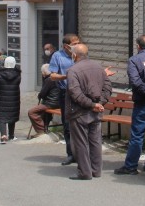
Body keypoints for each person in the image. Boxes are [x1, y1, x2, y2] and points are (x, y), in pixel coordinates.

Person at [114, 35, 145, 175]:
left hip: (143, 102)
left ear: (138, 46)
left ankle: (131, 166)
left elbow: (135, 81)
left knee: (137, 134)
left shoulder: (134, 60)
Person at [66, 44, 112, 180]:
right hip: (95, 111)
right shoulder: (98, 67)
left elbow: (75, 93)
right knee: (95, 141)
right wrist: (99, 103)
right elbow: (108, 87)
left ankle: (84, 172)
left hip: (80, 111)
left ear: (75, 55)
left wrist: (93, 105)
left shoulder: (73, 70)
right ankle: (96, 170)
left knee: (80, 142)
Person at [49, 33, 82, 165]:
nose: (77, 46)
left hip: (80, 93)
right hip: (66, 93)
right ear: (66, 46)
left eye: (78, 43)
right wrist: (66, 77)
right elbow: (52, 76)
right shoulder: (57, 56)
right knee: (68, 124)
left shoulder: (80, 54)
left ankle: (82, 154)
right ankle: (71, 153)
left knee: (81, 123)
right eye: (74, 44)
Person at [28, 64, 61, 139]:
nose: (42, 73)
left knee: (31, 112)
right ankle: (45, 128)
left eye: (42, 72)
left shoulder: (49, 79)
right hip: (58, 102)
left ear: (44, 72)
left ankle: (41, 131)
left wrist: (39, 96)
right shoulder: (56, 77)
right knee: (44, 111)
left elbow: (43, 93)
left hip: (50, 103)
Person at [0, 56, 21, 144]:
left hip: (1, 98)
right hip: (14, 98)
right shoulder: (18, 74)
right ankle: (11, 135)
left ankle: (3, 135)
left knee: (2, 117)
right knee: (12, 115)